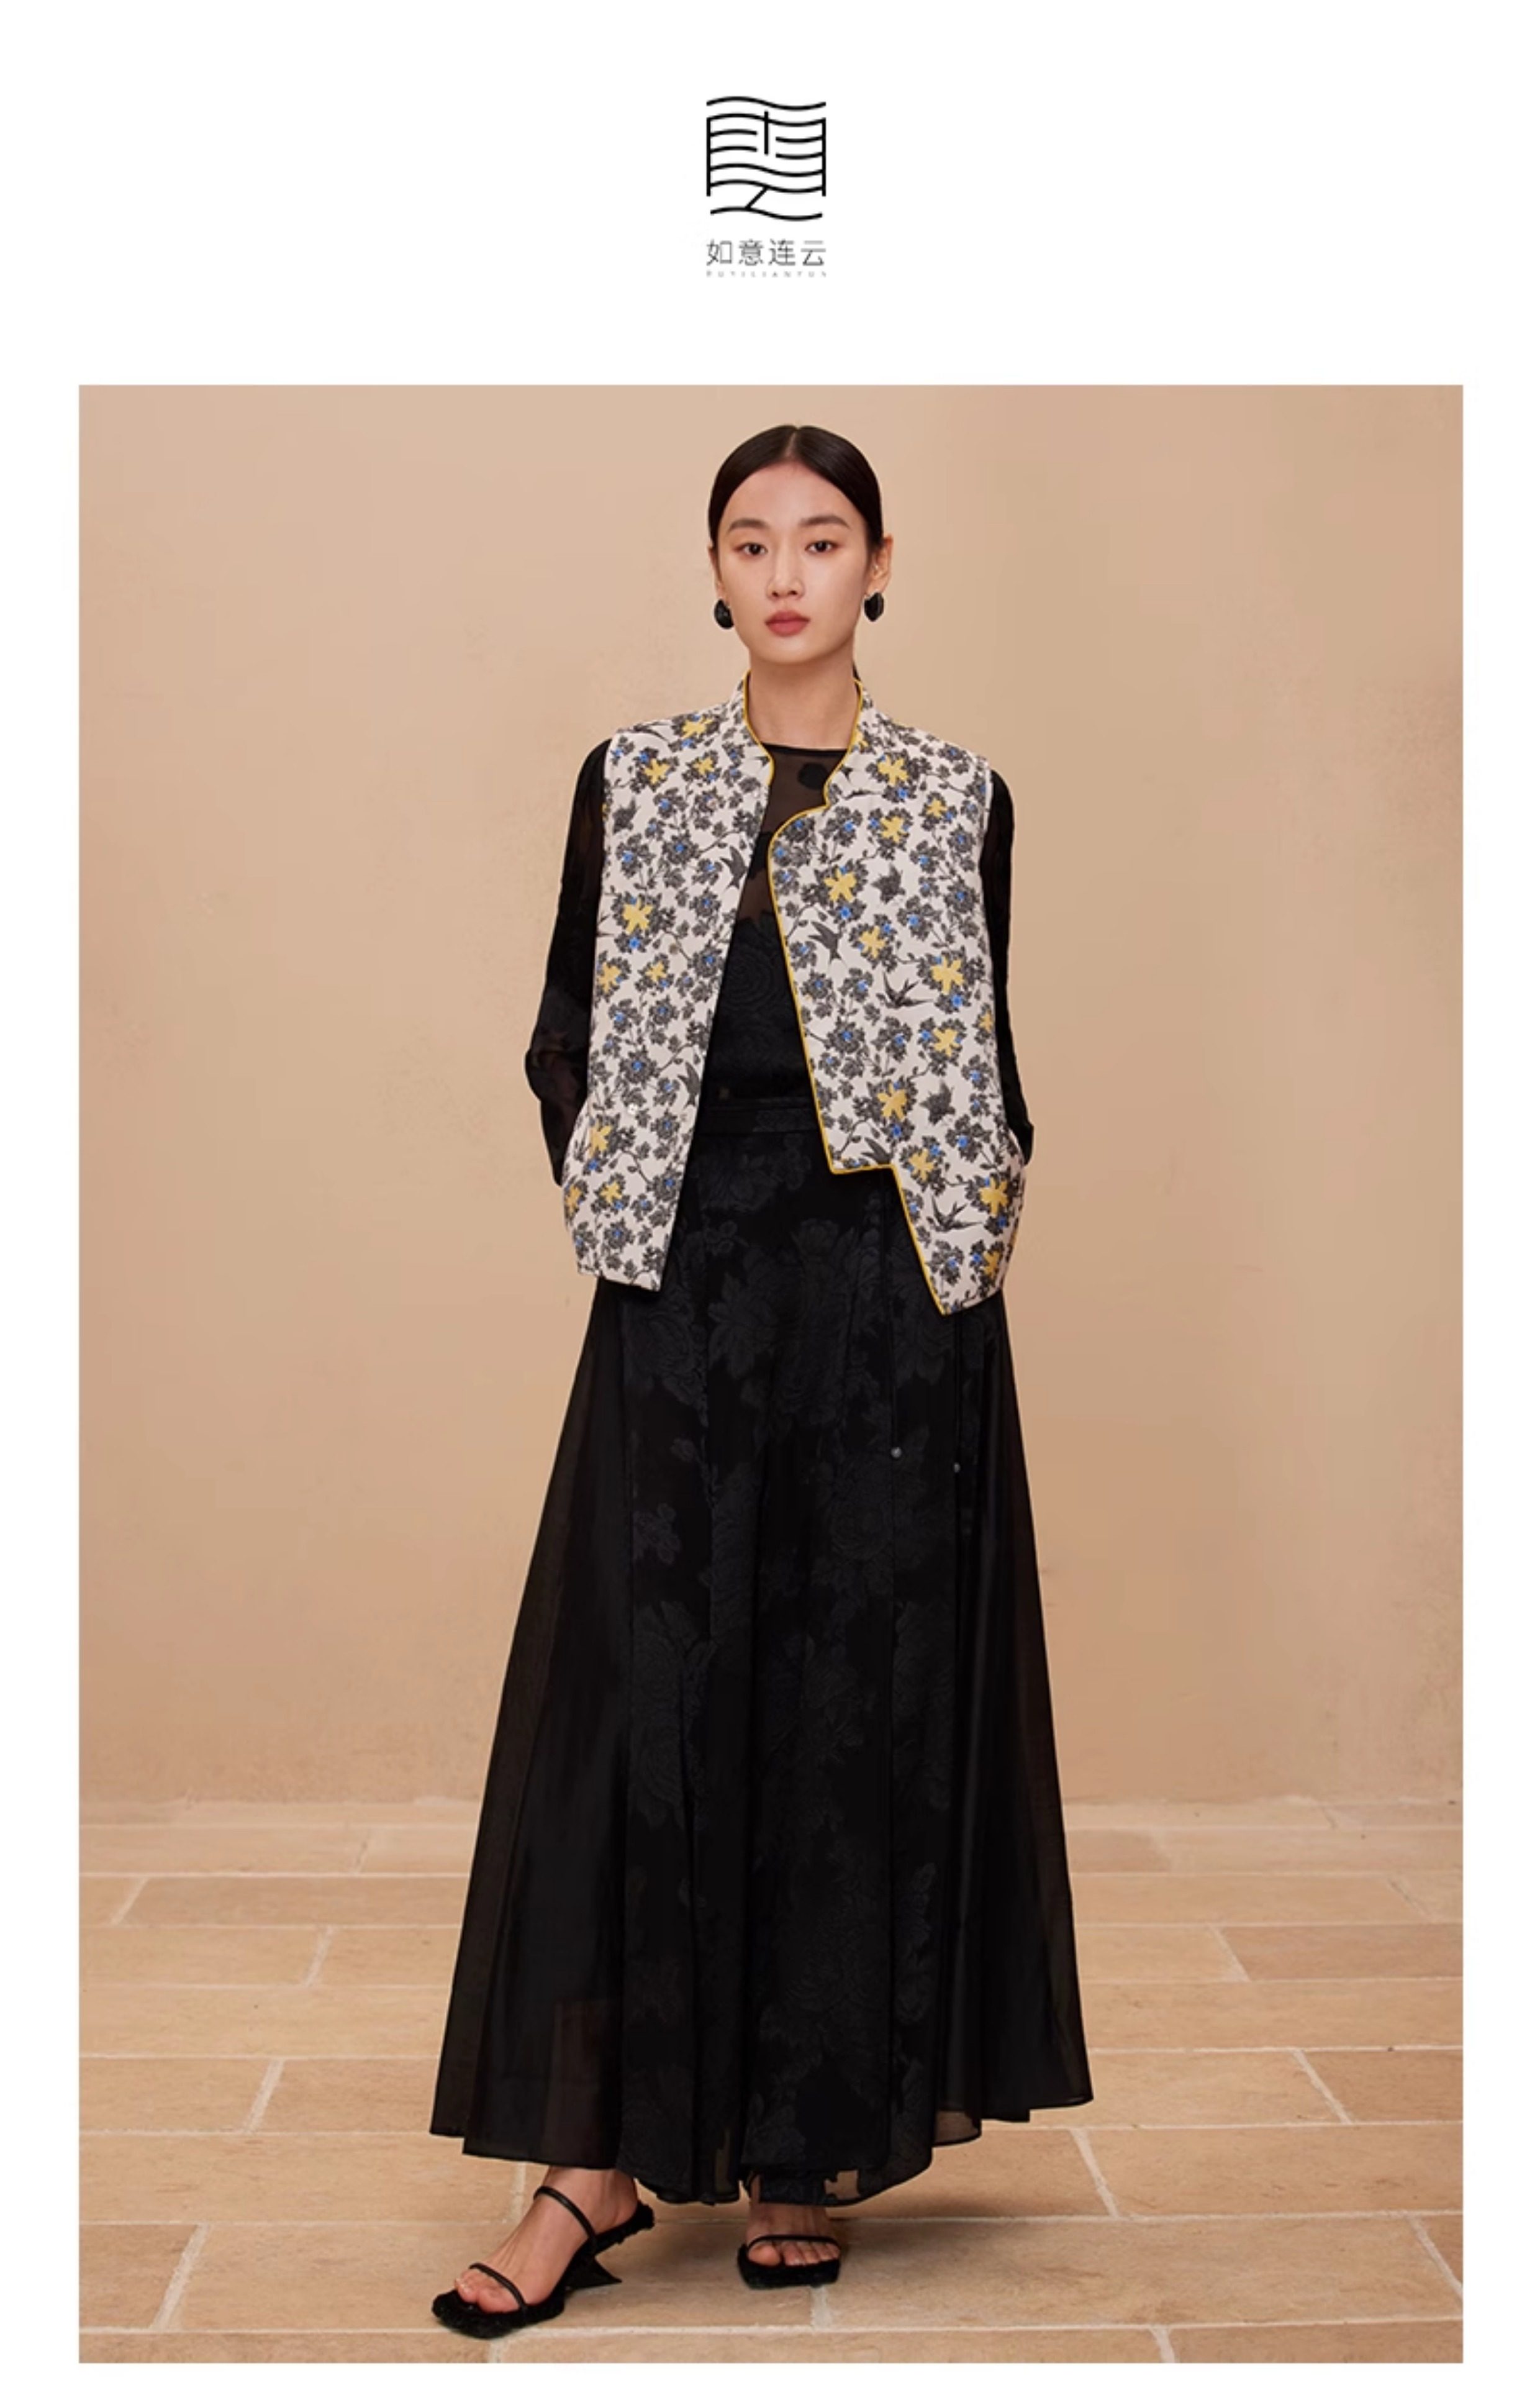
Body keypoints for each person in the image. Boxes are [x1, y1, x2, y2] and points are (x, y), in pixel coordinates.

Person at [427, 424, 1092, 2338]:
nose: (787, 571)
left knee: (844, 1709)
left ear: (880, 563)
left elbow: (980, 1060)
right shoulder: (635, 780)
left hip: (888, 1311)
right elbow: (566, 1031)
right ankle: (592, 2163)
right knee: (641, 1708)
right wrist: (635, 1220)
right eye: (750, 539)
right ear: (713, 573)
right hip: (685, 1292)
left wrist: (950, 1263)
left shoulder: (956, 797)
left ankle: (806, 2142)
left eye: (822, 538)